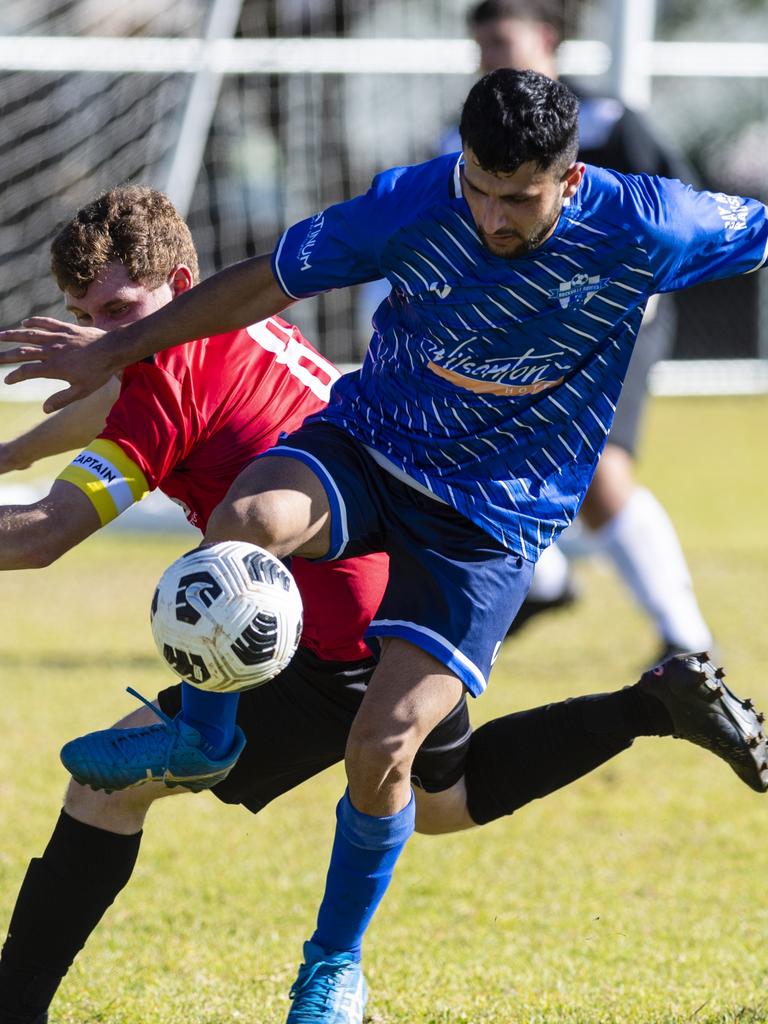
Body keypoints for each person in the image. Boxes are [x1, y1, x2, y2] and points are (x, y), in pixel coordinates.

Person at [2, 71, 767, 1024]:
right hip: (370, 451)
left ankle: (333, 968)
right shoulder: (419, 199)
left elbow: (45, 527)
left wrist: (109, 360)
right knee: (249, 525)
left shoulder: (652, 224)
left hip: (485, 521)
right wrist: (110, 354)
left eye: (517, 197)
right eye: (477, 187)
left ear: (571, 181)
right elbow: (267, 277)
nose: (489, 215)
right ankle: (205, 734)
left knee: (389, 757)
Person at [452, 0, 714, 660]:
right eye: (480, 45)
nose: (488, 58)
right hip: (526, 335)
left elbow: (680, 211)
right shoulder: (466, 139)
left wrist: (635, 286)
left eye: (499, 40)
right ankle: (544, 581)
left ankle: (688, 645)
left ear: (545, 39)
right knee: (475, 457)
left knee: (599, 478)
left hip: (620, 322)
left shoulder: (607, 121)